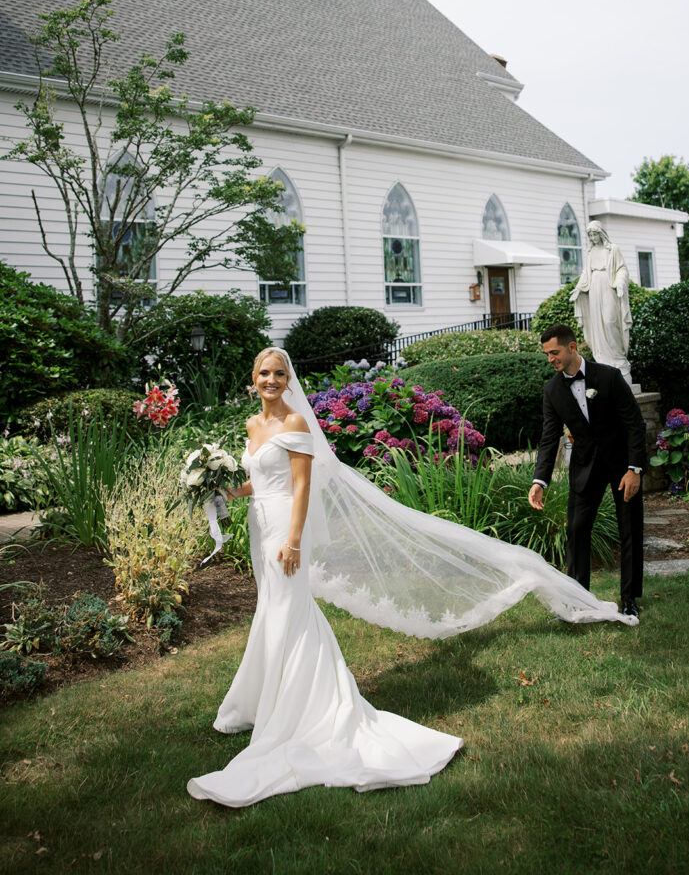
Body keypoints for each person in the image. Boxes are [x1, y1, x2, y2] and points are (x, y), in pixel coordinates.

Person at [189, 346, 638, 808]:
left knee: (289, 613)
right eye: (264, 372)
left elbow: (302, 487)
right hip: (262, 528)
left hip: (286, 531)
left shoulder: (295, 424)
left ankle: (300, 709)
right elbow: (259, 483)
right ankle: (266, 699)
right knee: (274, 612)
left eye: (279, 373)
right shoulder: (253, 426)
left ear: (288, 379)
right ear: (253, 377)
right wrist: (219, 487)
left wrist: (295, 540)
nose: (271, 379)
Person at [527, 324, 645, 619]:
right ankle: (577, 599)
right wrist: (539, 480)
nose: (550, 359)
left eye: (554, 352)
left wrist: (634, 469)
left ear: (572, 347)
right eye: (547, 354)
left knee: (629, 530)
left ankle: (630, 598)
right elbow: (549, 437)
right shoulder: (552, 390)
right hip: (584, 467)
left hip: (621, 466)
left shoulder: (609, 377)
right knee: (577, 531)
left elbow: (635, 423)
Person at [570, 220, 633, 384]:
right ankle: (604, 361)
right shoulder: (590, 252)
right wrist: (578, 289)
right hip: (594, 290)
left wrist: (620, 283)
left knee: (611, 321)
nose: (592, 237)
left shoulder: (613, 250)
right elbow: (586, 273)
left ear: (601, 233)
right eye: (590, 235)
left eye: (595, 234)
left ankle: (618, 359)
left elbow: (622, 269)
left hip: (608, 286)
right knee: (598, 326)